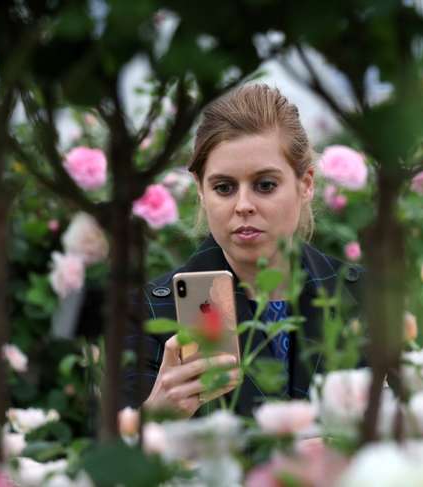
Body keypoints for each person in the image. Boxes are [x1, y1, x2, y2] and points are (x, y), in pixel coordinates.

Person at [123, 84, 364, 418]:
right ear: (201, 191)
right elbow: (110, 459)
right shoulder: (151, 311)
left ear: (306, 183)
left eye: (265, 185)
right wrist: (154, 416)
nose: (244, 205)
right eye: (224, 187)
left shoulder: (364, 296)